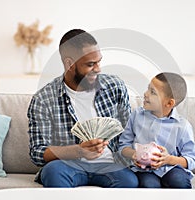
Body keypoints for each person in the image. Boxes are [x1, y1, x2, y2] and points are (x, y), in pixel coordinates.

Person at [27, 29, 138, 188]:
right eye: (90, 64)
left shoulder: (115, 86)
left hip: (109, 164)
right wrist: (78, 150)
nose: (98, 69)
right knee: (53, 172)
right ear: (69, 64)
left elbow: (130, 133)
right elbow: (37, 153)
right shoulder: (43, 99)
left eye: (99, 61)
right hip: (68, 165)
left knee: (129, 180)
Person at [119, 72, 195, 188]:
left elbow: (191, 160)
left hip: (170, 168)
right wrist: (134, 155)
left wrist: (168, 159)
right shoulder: (136, 116)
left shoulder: (182, 126)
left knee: (179, 181)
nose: (146, 94)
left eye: (153, 92)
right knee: (148, 185)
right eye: (148, 89)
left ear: (169, 103)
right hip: (144, 170)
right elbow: (122, 147)